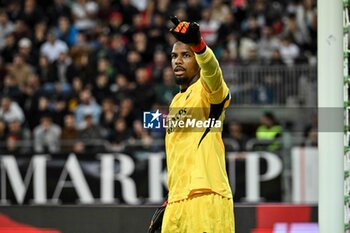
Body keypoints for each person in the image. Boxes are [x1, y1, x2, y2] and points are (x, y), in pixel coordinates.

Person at [152, 17, 235, 233]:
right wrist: (171, 198)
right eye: (174, 56)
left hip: (206, 196)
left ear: (198, 61)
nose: (177, 61)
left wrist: (200, 47)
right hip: (176, 201)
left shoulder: (208, 91)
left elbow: (213, 74)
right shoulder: (175, 102)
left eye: (186, 55)